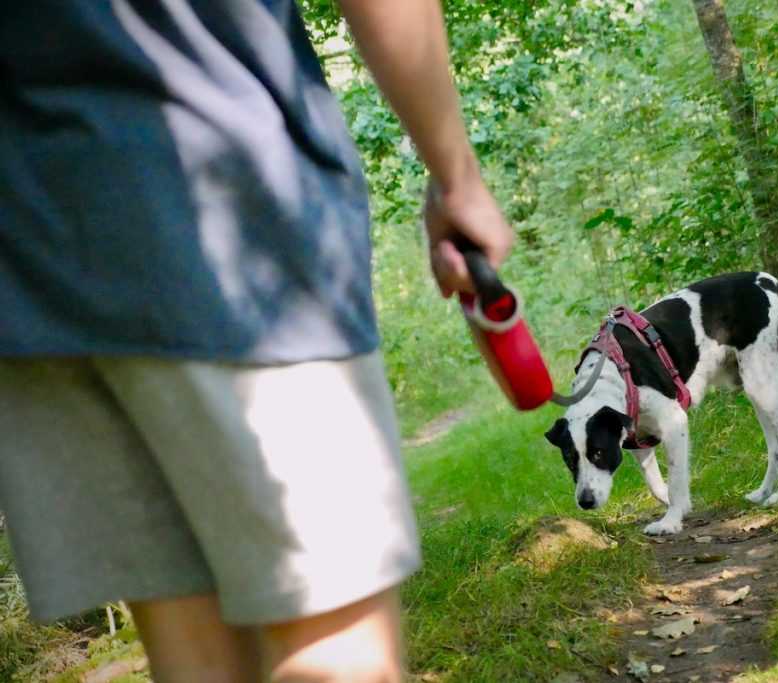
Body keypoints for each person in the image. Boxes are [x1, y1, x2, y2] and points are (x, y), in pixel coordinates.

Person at [0, 1, 513, 681]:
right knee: (338, 651)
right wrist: (458, 176)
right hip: (231, 220)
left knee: (197, 657)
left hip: (32, 253)